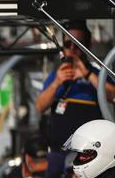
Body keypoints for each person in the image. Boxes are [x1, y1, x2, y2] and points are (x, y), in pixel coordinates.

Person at [35, 22, 113, 153]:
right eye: (67, 44)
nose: (72, 49)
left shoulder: (98, 74)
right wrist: (57, 83)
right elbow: (39, 107)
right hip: (59, 151)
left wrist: (88, 75)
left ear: (87, 46)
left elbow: (113, 95)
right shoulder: (56, 75)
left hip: (88, 151)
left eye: (77, 44)